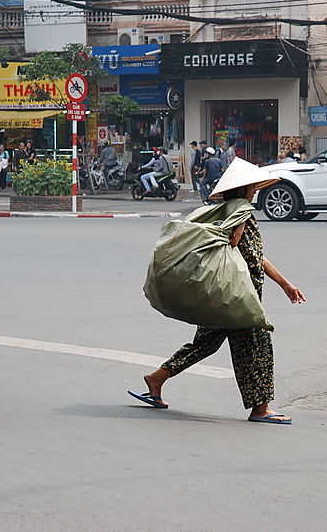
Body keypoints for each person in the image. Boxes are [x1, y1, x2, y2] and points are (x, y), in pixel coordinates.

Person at [131, 158, 307, 424]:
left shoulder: (222, 209)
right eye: (254, 187)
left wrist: (285, 284)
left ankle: (157, 378)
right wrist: (237, 229)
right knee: (257, 347)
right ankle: (261, 409)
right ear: (245, 189)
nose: (256, 190)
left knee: (205, 344)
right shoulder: (242, 211)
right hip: (238, 297)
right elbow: (237, 244)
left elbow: (256, 255)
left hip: (222, 294)